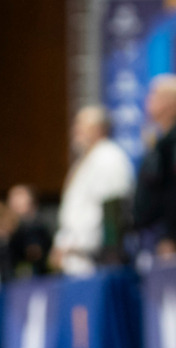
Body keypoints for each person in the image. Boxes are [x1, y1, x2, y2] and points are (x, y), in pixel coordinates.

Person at [52, 105, 134, 276]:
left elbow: (113, 211)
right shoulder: (82, 162)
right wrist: (62, 244)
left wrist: (104, 253)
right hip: (74, 258)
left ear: (98, 128)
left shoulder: (109, 157)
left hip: (96, 260)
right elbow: (74, 211)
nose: (75, 130)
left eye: (81, 125)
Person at [133, 75, 176, 264]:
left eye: (153, 95)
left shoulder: (172, 143)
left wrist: (170, 235)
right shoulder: (160, 140)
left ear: (170, 103)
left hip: (167, 240)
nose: (147, 101)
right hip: (152, 237)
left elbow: (173, 191)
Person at [6, 184, 52, 277]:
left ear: (33, 205)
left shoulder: (36, 227)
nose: (15, 207)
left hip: (37, 281)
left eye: (20, 205)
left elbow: (34, 253)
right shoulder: (8, 228)